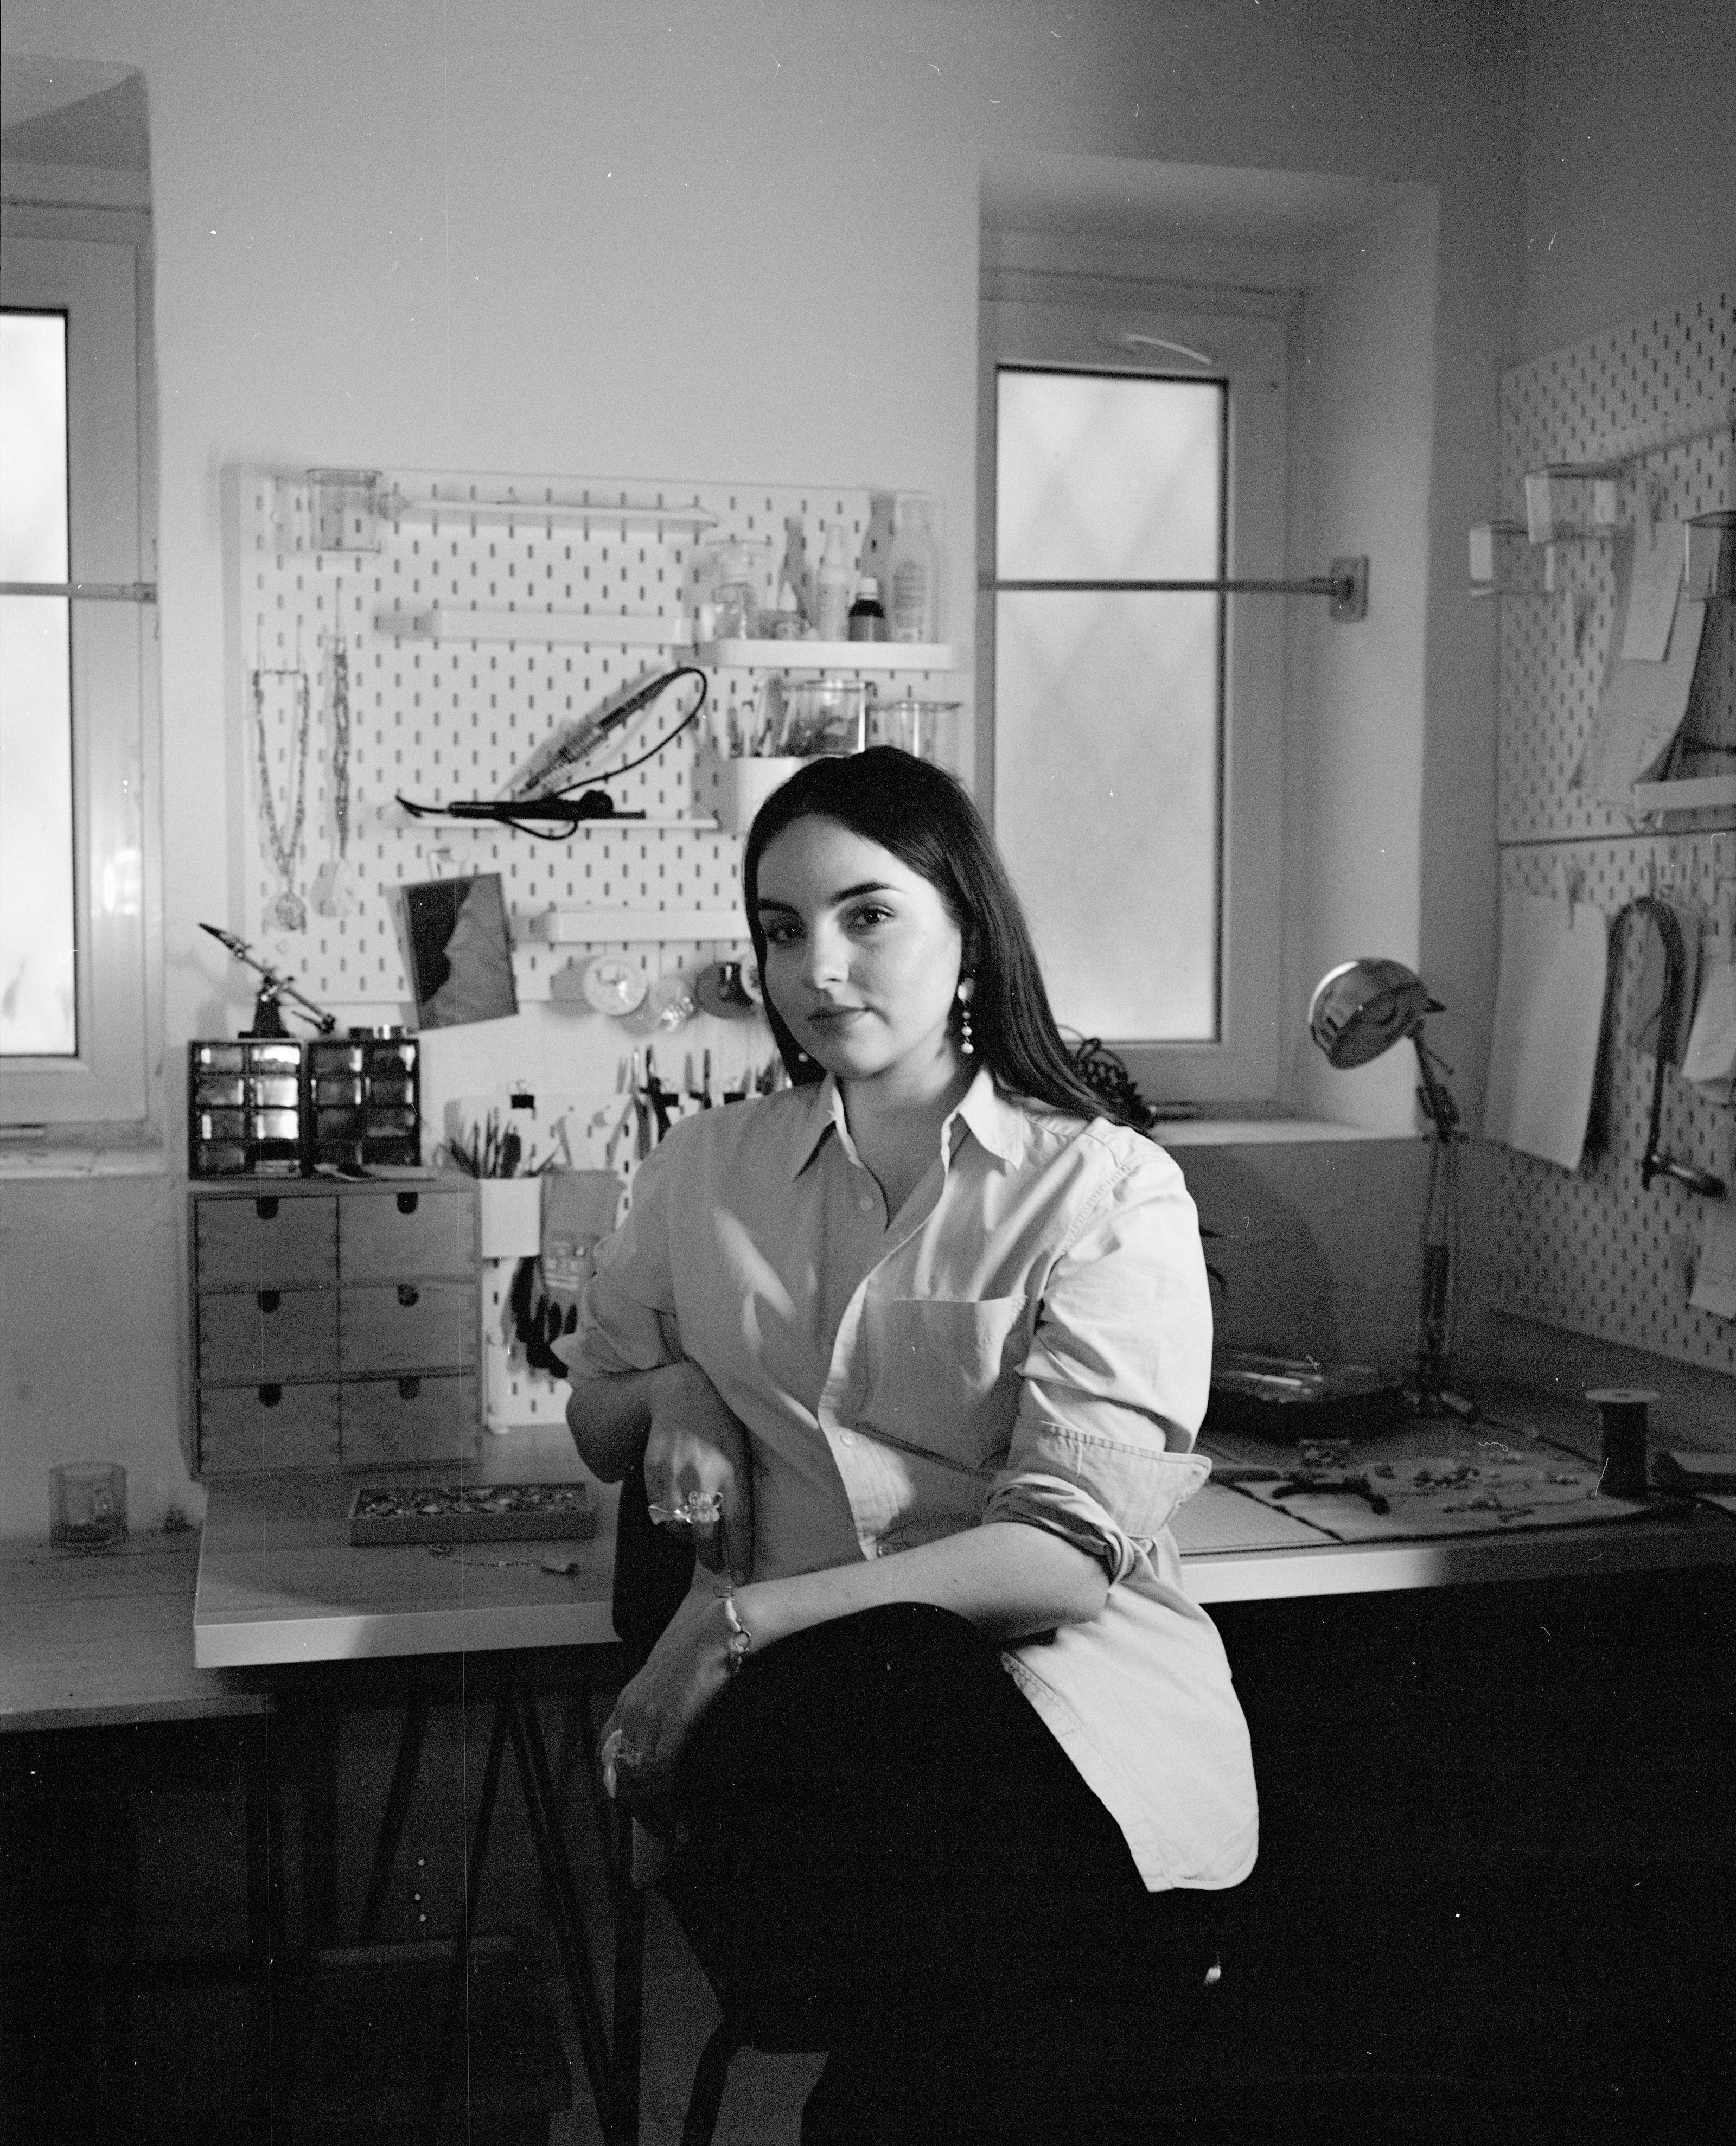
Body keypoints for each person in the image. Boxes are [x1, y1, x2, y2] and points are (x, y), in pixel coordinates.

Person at [563, 748, 1256, 2144]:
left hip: (1066, 1740)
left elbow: (1060, 1562)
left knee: (960, 2023)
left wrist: (738, 1627)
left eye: (867, 915)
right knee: (961, 1993)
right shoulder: (702, 1170)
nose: (817, 967)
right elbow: (596, 1415)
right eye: (781, 929)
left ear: (967, 934)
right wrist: (678, 1387)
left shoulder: (1104, 1186)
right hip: (818, 1759)